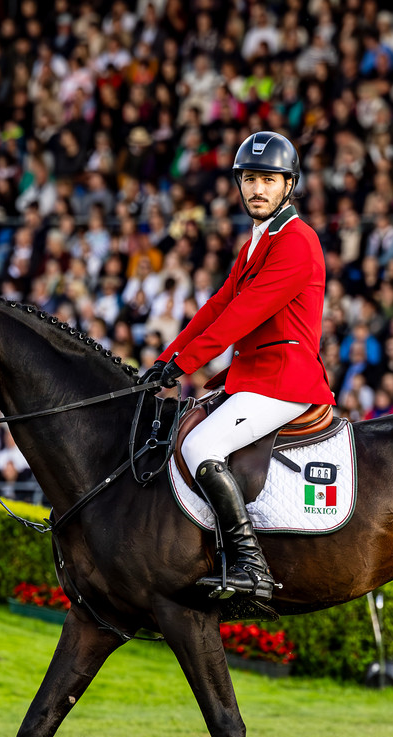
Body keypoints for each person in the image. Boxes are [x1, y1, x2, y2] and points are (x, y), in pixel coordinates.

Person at [141, 131, 334, 603]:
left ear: (289, 185)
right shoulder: (256, 243)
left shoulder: (297, 241)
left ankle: (251, 564)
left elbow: (244, 313)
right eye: (250, 179)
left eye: (269, 179)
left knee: (202, 444)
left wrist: (184, 364)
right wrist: (166, 359)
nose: (257, 189)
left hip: (285, 378)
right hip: (254, 375)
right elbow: (215, 306)